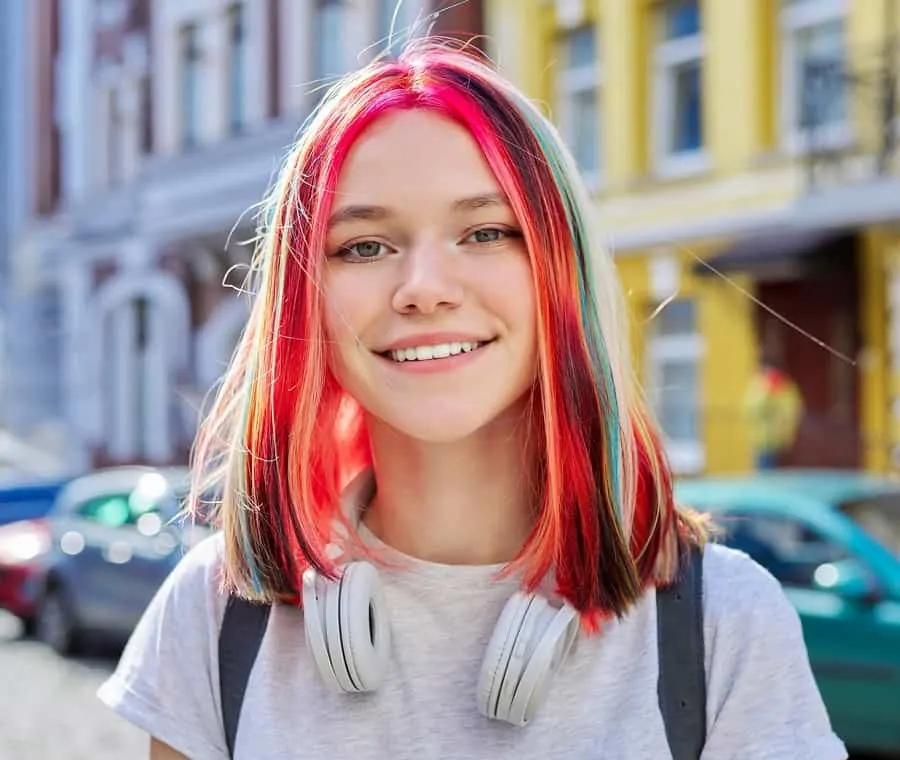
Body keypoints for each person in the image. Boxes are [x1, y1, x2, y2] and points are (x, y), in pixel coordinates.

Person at [97, 40, 847, 760]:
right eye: (364, 246)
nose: (423, 287)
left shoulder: (723, 624)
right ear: (307, 301)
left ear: (561, 272)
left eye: (486, 231)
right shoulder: (216, 614)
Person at [741, 354, 805, 470]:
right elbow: (750, 410)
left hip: (782, 442)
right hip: (761, 441)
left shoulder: (786, 386)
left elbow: (792, 410)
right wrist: (767, 391)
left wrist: (787, 430)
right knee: (765, 473)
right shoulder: (758, 385)